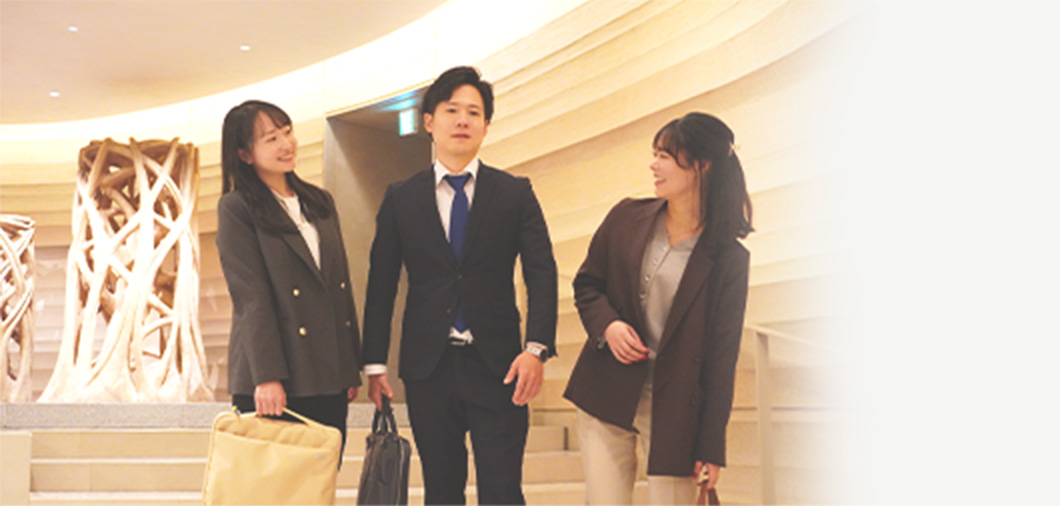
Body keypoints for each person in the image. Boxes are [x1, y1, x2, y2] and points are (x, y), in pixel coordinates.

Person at [361, 66, 558, 505]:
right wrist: (374, 363)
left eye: (474, 112)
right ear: (429, 122)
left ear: (486, 125)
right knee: (442, 491)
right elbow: (381, 283)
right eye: (452, 110)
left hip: (501, 366)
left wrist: (537, 348)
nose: (463, 120)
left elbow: (541, 272)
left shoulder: (515, 193)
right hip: (428, 368)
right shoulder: (401, 198)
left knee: (503, 491)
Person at [564, 112, 753, 504]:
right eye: (655, 154)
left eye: (665, 156)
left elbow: (722, 358)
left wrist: (711, 446)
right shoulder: (626, 217)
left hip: (676, 410)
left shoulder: (729, 258)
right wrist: (608, 326)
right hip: (606, 392)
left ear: (701, 165)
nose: (654, 165)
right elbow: (587, 284)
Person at [217, 100, 361, 455]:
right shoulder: (237, 208)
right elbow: (251, 297)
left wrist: (348, 366)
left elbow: (338, 287)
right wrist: (267, 376)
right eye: (271, 139)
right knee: (272, 481)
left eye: (287, 132)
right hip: (275, 380)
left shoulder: (319, 202)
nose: (287, 144)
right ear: (245, 154)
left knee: (320, 477)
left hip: (326, 374)